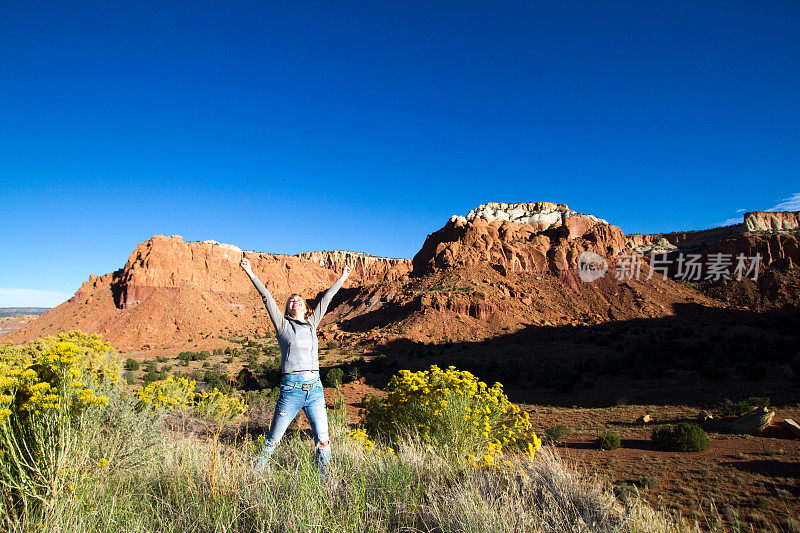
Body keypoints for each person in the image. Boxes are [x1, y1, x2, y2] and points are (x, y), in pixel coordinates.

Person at [240, 255, 351, 472]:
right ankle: (253, 476)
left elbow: (327, 298)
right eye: (291, 300)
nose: (295, 301)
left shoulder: (312, 323)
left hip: (316, 389)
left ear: (306, 306)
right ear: (288, 308)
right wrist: (250, 272)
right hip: (292, 388)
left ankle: (324, 482)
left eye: (299, 299)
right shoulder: (282, 325)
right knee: (273, 440)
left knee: (323, 442)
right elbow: (266, 297)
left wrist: (343, 277)